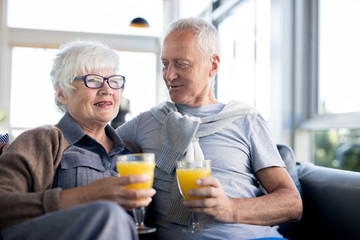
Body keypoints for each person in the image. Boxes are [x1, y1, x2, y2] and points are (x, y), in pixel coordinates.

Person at [116, 17, 303, 240]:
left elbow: (292, 204)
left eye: (181, 64)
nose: (169, 75)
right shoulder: (146, 122)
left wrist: (231, 209)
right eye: (165, 64)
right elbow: (96, 143)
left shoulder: (246, 120)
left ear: (213, 65)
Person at [0, 40, 156, 240]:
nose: (107, 89)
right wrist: (85, 196)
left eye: (114, 81)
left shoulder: (132, 151)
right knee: (108, 214)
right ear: (62, 94)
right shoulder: (41, 140)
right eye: (93, 80)